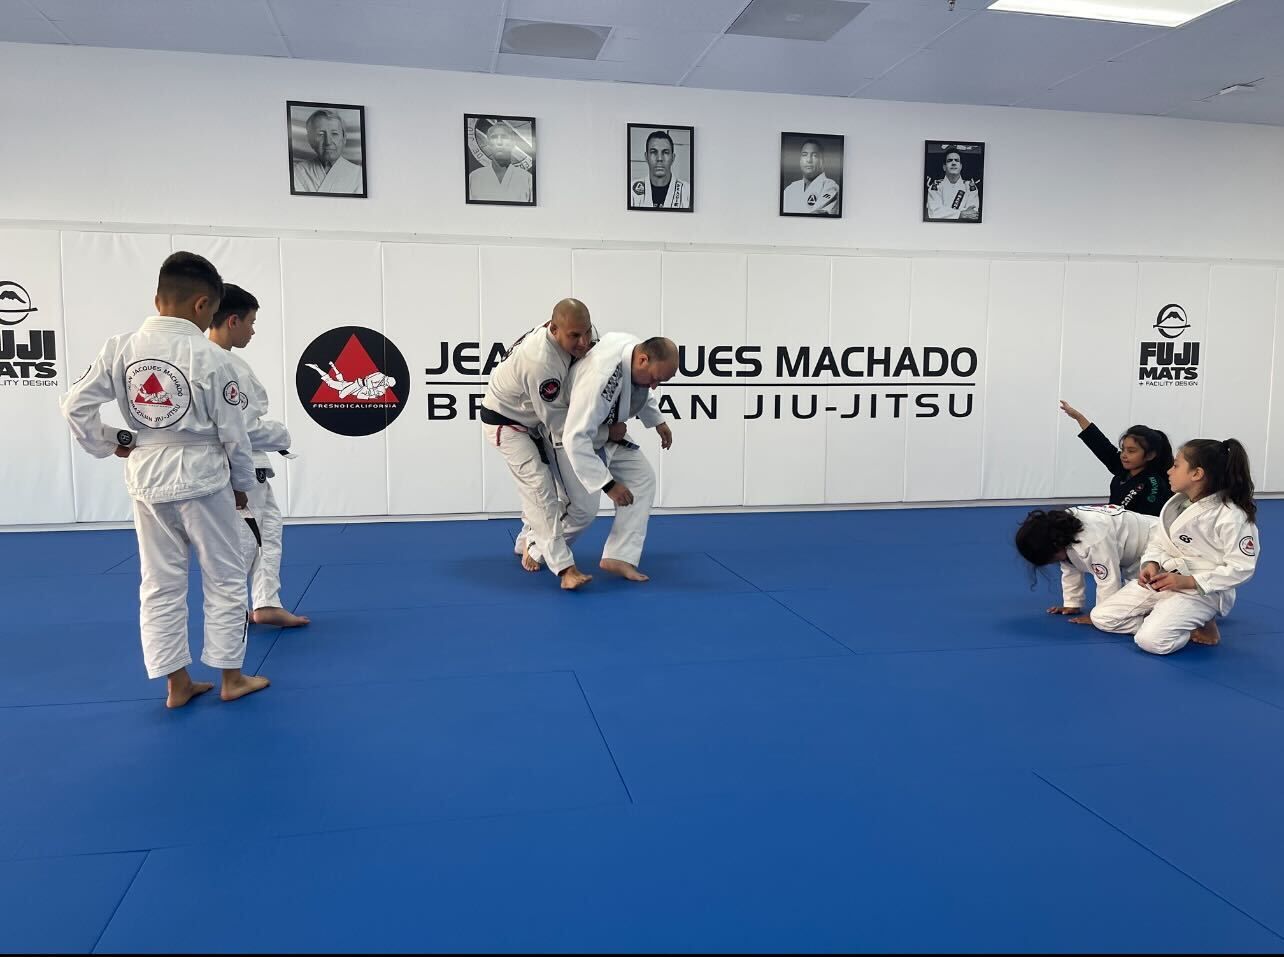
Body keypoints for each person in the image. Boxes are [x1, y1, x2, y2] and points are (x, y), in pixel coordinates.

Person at [60, 252, 269, 707]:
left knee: (160, 581)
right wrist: (242, 485)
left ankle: (177, 684)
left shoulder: (120, 347)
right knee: (225, 575)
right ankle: (231, 679)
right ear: (203, 306)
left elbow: (74, 406)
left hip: (146, 473)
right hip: (203, 477)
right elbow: (234, 435)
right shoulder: (212, 359)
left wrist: (112, 439)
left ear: (157, 299)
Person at [1090, 438, 1260, 654]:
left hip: (1201, 590)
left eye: (1176, 465)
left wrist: (1187, 581)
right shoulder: (1177, 504)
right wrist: (1150, 563)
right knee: (1101, 617)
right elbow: (1158, 541)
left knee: (1151, 642)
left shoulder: (1231, 516)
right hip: (1164, 579)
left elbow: (1242, 568)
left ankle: (1195, 620)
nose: (1169, 471)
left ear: (1196, 474)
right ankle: (1177, 619)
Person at [533, 334, 678, 581]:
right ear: (643, 360)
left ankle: (619, 556)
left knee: (641, 479)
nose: (654, 386)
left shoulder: (634, 352)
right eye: (655, 378)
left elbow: (639, 388)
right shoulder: (601, 377)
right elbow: (575, 437)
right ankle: (535, 546)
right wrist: (608, 485)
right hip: (571, 435)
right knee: (582, 512)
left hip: (607, 430)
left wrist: (657, 421)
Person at [208, 284, 309, 628]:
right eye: (251, 322)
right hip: (240, 469)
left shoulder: (213, 360)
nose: (253, 330)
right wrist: (280, 434)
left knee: (265, 534)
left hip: (239, 467)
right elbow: (240, 429)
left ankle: (265, 602)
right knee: (248, 540)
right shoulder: (224, 365)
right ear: (232, 320)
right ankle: (233, 612)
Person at [480, 299, 594, 590]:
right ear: (554, 328)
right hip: (506, 423)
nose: (583, 342)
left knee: (558, 495)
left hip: (533, 417)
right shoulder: (540, 361)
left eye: (586, 333)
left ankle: (527, 541)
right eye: (574, 336)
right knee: (541, 490)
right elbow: (559, 426)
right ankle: (564, 567)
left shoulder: (577, 335)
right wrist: (595, 445)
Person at [1014, 505, 1159, 624]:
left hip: (1156, 543)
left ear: (1056, 547)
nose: (1057, 563)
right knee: (1133, 600)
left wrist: (1098, 616)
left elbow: (1108, 581)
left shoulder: (1092, 542)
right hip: (1133, 548)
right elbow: (1070, 565)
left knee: (1146, 605)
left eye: (1052, 559)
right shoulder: (1059, 530)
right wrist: (1072, 603)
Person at [1059, 401, 1173, 516]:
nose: (1124, 455)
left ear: (1150, 455)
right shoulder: (1121, 472)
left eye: (1131, 451)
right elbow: (1101, 445)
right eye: (1123, 449)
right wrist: (1078, 417)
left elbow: (1150, 519)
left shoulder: (1154, 483)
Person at [292, 109, 363, 194]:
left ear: (344, 138)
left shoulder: (359, 175)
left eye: (334, 134)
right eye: (321, 134)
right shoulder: (298, 171)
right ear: (310, 139)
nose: (328, 142)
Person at [467, 119, 534, 203]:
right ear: (489, 143)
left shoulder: (527, 179)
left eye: (504, 137)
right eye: (494, 137)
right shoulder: (474, 177)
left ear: (513, 143)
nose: (499, 142)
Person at [630, 130, 691, 209]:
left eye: (665, 152)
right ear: (646, 157)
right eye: (653, 152)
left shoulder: (688, 192)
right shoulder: (631, 191)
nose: (659, 158)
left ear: (673, 158)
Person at [782, 139, 840, 215]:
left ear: (822, 160)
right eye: (804, 155)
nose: (809, 160)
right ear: (800, 160)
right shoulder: (790, 189)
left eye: (814, 155)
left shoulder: (830, 187)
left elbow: (817, 218)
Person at [925, 150, 980, 221]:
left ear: (960, 166)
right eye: (949, 160)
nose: (953, 163)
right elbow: (934, 213)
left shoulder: (970, 187)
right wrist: (960, 214)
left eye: (956, 160)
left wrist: (945, 212)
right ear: (944, 167)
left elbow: (973, 214)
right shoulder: (936, 187)